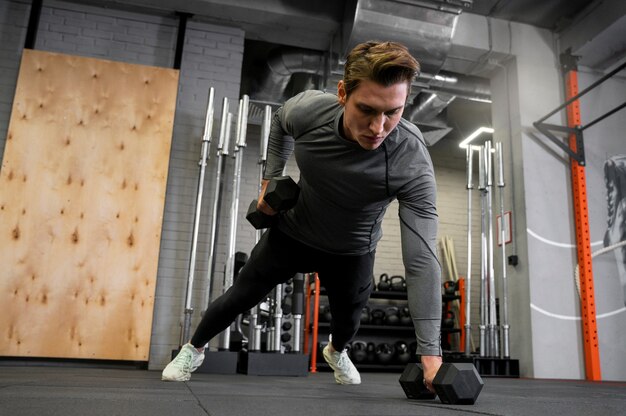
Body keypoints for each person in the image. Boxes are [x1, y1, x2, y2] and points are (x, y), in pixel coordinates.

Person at [162, 40, 443, 391]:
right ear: (343, 93)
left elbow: (422, 258)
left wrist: (431, 354)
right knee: (240, 295)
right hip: (293, 232)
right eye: (367, 110)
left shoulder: (410, 158)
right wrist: (270, 179)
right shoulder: (310, 112)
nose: (378, 127)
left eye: (393, 112)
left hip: (352, 250)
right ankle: (193, 349)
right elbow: (279, 120)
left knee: (348, 320)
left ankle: (337, 351)